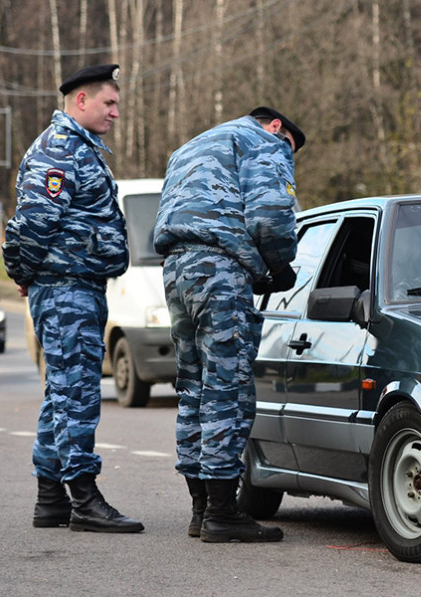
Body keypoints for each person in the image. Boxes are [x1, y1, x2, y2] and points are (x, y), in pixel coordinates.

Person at [2, 64, 143, 533]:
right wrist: (24, 273)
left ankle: (51, 499)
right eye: (109, 103)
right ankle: (84, 498)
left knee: (60, 394)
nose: (116, 113)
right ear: (81, 101)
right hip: (65, 291)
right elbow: (32, 224)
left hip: (76, 287)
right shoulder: (60, 150)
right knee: (77, 395)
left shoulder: (80, 148)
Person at [153, 106, 304, 543]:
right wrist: (280, 265)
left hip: (176, 270)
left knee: (194, 386)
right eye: (290, 147)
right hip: (220, 270)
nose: (287, 154)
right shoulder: (264, 140)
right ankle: (223, 512)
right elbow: (270, 213)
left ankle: (201, 508)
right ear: (277, 126)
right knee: (228, 387)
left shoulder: (188, 149)